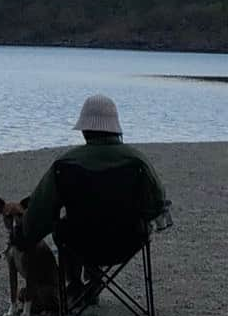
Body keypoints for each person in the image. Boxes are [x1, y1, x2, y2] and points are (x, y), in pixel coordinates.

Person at [20, 94, 167, 301]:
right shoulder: (137, 160)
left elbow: (40, 210)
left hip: (80, 242)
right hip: (127, 241)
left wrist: (26, 235)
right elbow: (157, 204)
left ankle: (76, 284)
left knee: (63, 227)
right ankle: (93, 280)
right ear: (116, 129)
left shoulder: (65, 164)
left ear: (85, 130)